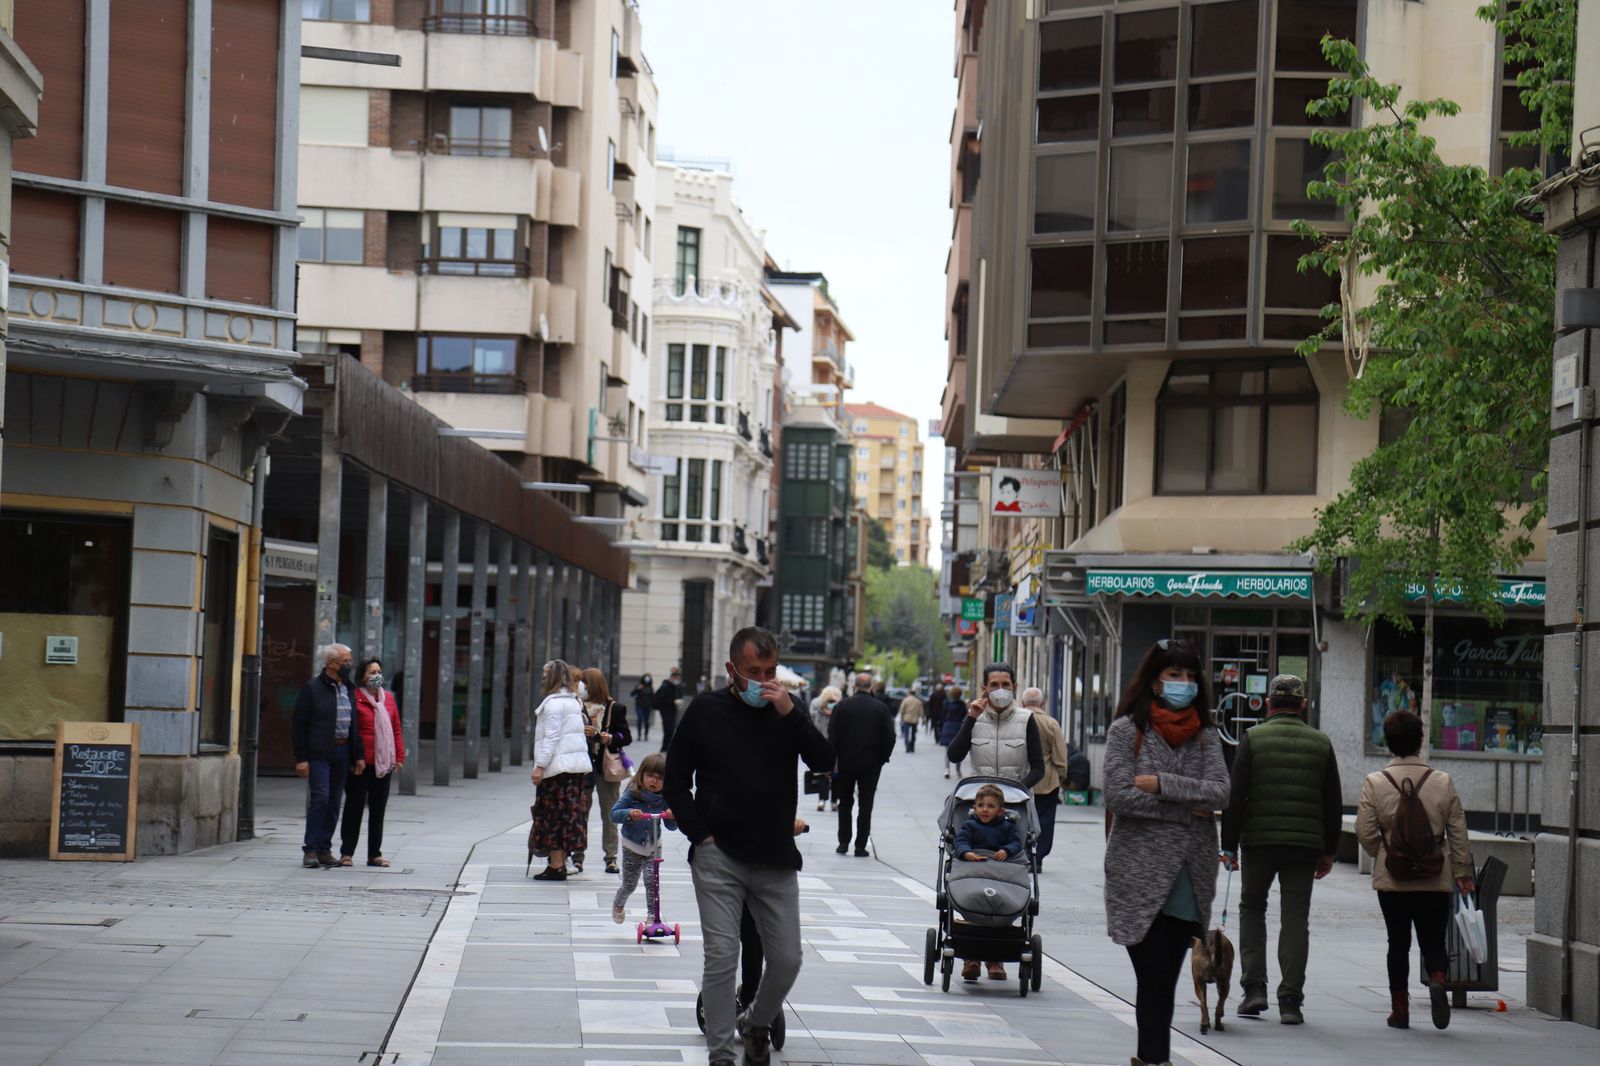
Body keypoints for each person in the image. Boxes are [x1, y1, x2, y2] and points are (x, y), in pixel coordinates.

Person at [664, 626, 835, 1066]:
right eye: (753, 672)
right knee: (721, 955)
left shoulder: (789, 711)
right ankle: (721, 1054)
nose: (763, 680)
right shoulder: (705, 711)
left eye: (770, 670)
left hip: (775, 855)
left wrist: (791, 713)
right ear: (732, 670)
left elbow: (825, 762)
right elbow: (675, 779)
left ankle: (757, 1022)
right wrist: (699, 833)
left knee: (788, 959)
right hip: (719, 855)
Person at [1103, 638, 1230, 1066]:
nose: (1184, 683)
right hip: (1136, 876)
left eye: (1191, 676)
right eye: (1175, 675)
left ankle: (1151, 1060)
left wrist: (1160, 784)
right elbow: (1119, 795)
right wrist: (1187, 809)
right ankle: (1155, 1060)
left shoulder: (1206, 735)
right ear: (1155, 680)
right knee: (1153, 976)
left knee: (1165, 980)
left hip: (1189, 880)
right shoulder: (1127, 730)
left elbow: (1221, 793)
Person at [1219, 673, 1342, 1026]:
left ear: (1270, 703)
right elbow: (1332, 802)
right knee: (1295, 917)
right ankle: (1290, 999)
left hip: (1259, 842)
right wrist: (1329, 850)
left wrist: (1228, 845)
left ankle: (1254, 988)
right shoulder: (1320, 743)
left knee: (1252, 908)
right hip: (1304, 845)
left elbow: (1235, 795)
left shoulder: (1253, 739)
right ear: (1302, 704)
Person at [1356, 709, 1475, 1031]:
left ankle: (1400, 1008)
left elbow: (1365, 832)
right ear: (1420, 741)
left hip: (1393, 880)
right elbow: (1458, 831)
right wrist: (1462, 870)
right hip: (1434, 877)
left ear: (1389, 743)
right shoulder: (1442, 781)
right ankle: (1437, 979)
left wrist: (1385, 853)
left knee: (1398, 943)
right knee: (1434, 940)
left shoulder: (1375, 782)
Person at [292, 643, 366, 869]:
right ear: (331, 663)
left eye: (350, 660)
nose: (349, 665)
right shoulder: (312, 688)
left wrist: (358, 755)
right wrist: (301, 758)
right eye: (345, 661)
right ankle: (311, 849)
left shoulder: (350, 689)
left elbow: (356, 724)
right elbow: (299, 725)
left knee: (334, 802)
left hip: (343, 752)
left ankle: (324, 848)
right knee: (321, 798)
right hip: (319, 753)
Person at [528, 660, 591, 881]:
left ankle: (556, 865)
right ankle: (562, 862)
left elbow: (551, 738)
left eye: (546, 675)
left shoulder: (553, 704)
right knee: (568, 816)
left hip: (556, 770)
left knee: (552, 816)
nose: (543, 678)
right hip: (573, 769)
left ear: (553, 677)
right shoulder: (574, 702)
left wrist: (540, 766)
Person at [339, 657, 405, 868]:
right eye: (371, 672)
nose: (376, 676)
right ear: (362, 676)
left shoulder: (389, 700)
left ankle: (374, 854)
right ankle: (346, 852)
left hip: (383, 763)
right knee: (354, 808)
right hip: (361, 763)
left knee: (378, 810)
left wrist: (399, 756)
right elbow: (353, 730)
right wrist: (354, 757)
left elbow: (395, 728)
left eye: (378, 672)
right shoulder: (354, 697)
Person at [828, 672, 896, 856]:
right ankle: (860, 845)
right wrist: (882, 758)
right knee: (866, 805)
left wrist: (832, 761)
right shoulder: (881, 708)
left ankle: (843, 842)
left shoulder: (841, 706)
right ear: (871, 687)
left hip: (845, 762)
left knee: (845, 802)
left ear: (854, 686)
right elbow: (890, 737)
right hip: (871, 764)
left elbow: (832, 736)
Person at [946, 663, 1044, 790]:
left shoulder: (1026, 719)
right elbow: (954, 756)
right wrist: (971, 718)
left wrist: (1017, 789)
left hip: (1016, 802)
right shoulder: (974, 718)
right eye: (994, 685)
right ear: (984, 689)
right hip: (982, 803)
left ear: (1014, 687)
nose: (1000, 689)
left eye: (1005, 684)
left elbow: (1038, 768)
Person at [576, 667, 632, 875]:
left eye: (584, 683)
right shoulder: (577, 706)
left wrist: (607, 737)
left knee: (610, 814)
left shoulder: (614, 708)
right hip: (582, 767)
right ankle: (577, 856)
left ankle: (611, 858)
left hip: (606, 768)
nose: (581, 687)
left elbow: (625, 736)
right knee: (580, 813)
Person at [610, 752, 677, 923]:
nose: (654, 781)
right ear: (642, 775)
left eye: (659, 778)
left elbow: (671, 826)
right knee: (629, 884)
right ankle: (618, 903)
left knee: (651, 881)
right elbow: (614, 814)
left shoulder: (666, 797)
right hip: (632, 845)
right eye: (650, 776)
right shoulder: (633, 792)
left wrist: (672, 816)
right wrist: (630, 813)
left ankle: (652, 917)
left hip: (654, 845)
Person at [1019, 687, 1068, 871]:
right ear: (1042, 703)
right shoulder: (1051, 724)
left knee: (1022, 817)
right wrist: (1061, 776)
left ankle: (1023, 852)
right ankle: (1038, 857)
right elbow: (1060, 755)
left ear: (1023, 703)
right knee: (1045, 820)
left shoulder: (1019, 721)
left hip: (1022, 779)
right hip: (1047, 781)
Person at [956, 783, 1023, 862]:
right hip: (975, 860)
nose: (985, 810)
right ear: (975, 808)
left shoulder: (1008, 827)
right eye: (980, 805)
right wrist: (966, 852)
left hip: (999, 862)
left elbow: (1016, 843)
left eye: (991, 806)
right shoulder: (969, 825)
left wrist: (1007, 850)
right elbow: (961, 841)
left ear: (1000, 811)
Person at [808, 685, 842, 812]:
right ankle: (822, 799)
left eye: (834, 702)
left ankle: (834, 800)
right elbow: (811, 723)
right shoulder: (816, 707)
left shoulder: (840, 709)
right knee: (822, 773)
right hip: (822, 743)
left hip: (836, 745)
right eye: (830, 701)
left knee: (836, 774)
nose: (831, 705)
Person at [938, 685, 967, 779]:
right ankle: (958, 771)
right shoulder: (962, 705)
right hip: (958, 728)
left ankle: (947, 769)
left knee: (947, 750)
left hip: (948, 727)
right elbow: (965, 718)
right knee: (958, 750)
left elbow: (942, 717)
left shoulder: (947, 704)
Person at [656, 667, 683, 752]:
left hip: (671, 711)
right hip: (666, 711)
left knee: (670, 731)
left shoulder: (674, 686)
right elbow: (662, 700)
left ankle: (666, 748)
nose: (678, 680)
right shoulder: (665, 686)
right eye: (678, 678)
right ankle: (664, 749)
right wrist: (673, 702)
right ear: (673, 677)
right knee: (668, 731)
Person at [898, 689, 924, 753]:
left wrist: (901, 717)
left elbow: (902, 709)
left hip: (906, 718)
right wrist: (923, 718)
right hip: (915, 719)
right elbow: (921, 711)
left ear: (909, 693)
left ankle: (907, 747)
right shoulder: (918, 701)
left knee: (906, 733)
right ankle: (912, 747)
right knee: (913, 734)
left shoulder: (906, 700)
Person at [631, 674, 655, 741]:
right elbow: (632, 694)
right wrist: (638, 689)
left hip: (648, 706)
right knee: (640, 719)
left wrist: (654, 706)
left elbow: (653, 698)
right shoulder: (639, 686)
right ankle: (639, 734)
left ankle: (646, 735)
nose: (647, 679)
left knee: (646, 721)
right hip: (639, 705)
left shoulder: (650, 688)